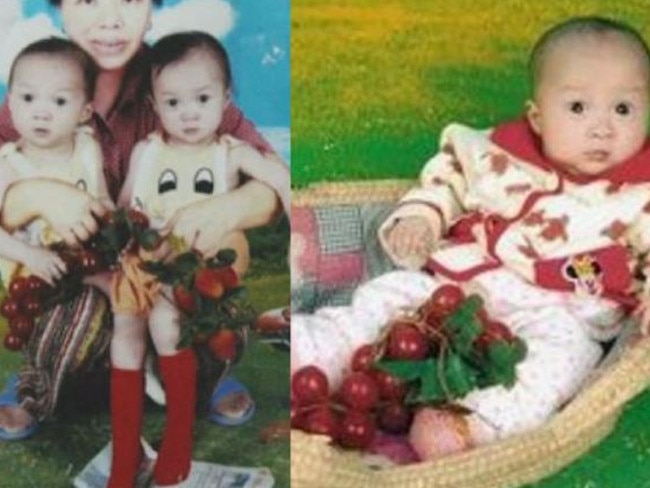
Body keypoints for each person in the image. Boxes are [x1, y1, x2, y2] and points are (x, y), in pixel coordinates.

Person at [292, 16, 650, 461]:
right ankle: (311, 352)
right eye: (578, 108)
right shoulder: (494, 153)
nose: (602, 128)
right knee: (387, 297)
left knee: (565, 359)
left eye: (623, 109)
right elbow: (447, 180)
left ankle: (472, 422)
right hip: (460, 286)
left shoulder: (641, 194)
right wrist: (421, 217)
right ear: (537, 117)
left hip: (557, 310)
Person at [0, 0, 281, 441]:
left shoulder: (184, 75)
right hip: (81, 275)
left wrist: (223, 209)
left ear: (152, 9)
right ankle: (38, 384)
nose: (110, 18)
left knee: (211, 296)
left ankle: (204, 378)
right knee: (81, 317)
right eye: (88, 0)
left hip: (164, 266)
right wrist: (34, 195)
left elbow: (270, 190)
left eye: (130, 0)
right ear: (60, 9)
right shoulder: (34, 88)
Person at [103, 31, 289, 487]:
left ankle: (177, 444)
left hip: (190, 274)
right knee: (125, 327)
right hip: (145, 261)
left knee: (166, 322)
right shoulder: (148, 151)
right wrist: (125, 237)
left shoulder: (230, 152)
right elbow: (126, 206)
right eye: (172, 102)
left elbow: (284, 182)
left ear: (225, 98)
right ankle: (126, 452)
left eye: (201, 99)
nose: (187, 113)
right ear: (154, 102)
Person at [0, 38, 109, 289]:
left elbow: (102, 201)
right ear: (11, 104)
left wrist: (113, 228)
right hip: (27, 278)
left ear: (85, 112)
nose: (41, 112)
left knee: (123, 294)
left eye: (59, 101)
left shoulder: (88, 150)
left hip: (83, 265)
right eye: (28, 98)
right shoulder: (9, 166)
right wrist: (30, 255)